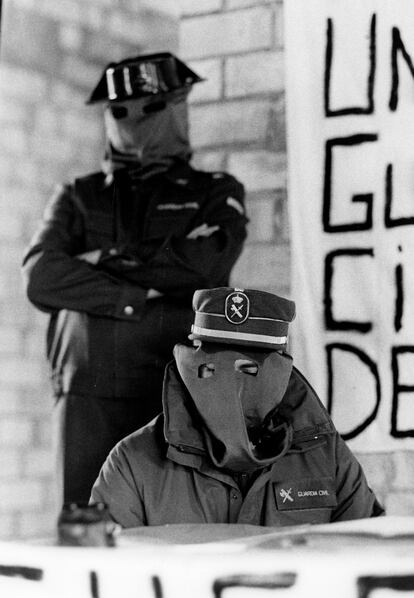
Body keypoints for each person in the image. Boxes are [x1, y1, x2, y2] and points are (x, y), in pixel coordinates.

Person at [22, 53, 247, 503]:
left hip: (176, 382)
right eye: (119, 111)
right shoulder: (79, 196)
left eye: (152, 107)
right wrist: (139, 290)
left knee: (177, 518)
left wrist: (98, 260)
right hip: (88, 387)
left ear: (179, 106)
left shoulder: (214, 191)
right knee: (89, 523)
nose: (133, 122)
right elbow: (42, 277)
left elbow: (207, 267)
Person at [90, 286, 384, 527]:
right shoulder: (133, 461)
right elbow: (104, 576)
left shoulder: (324, 455)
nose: (230, 387)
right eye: (211, 368)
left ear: (280, 373)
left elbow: (367, 557)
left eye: (249, 370)